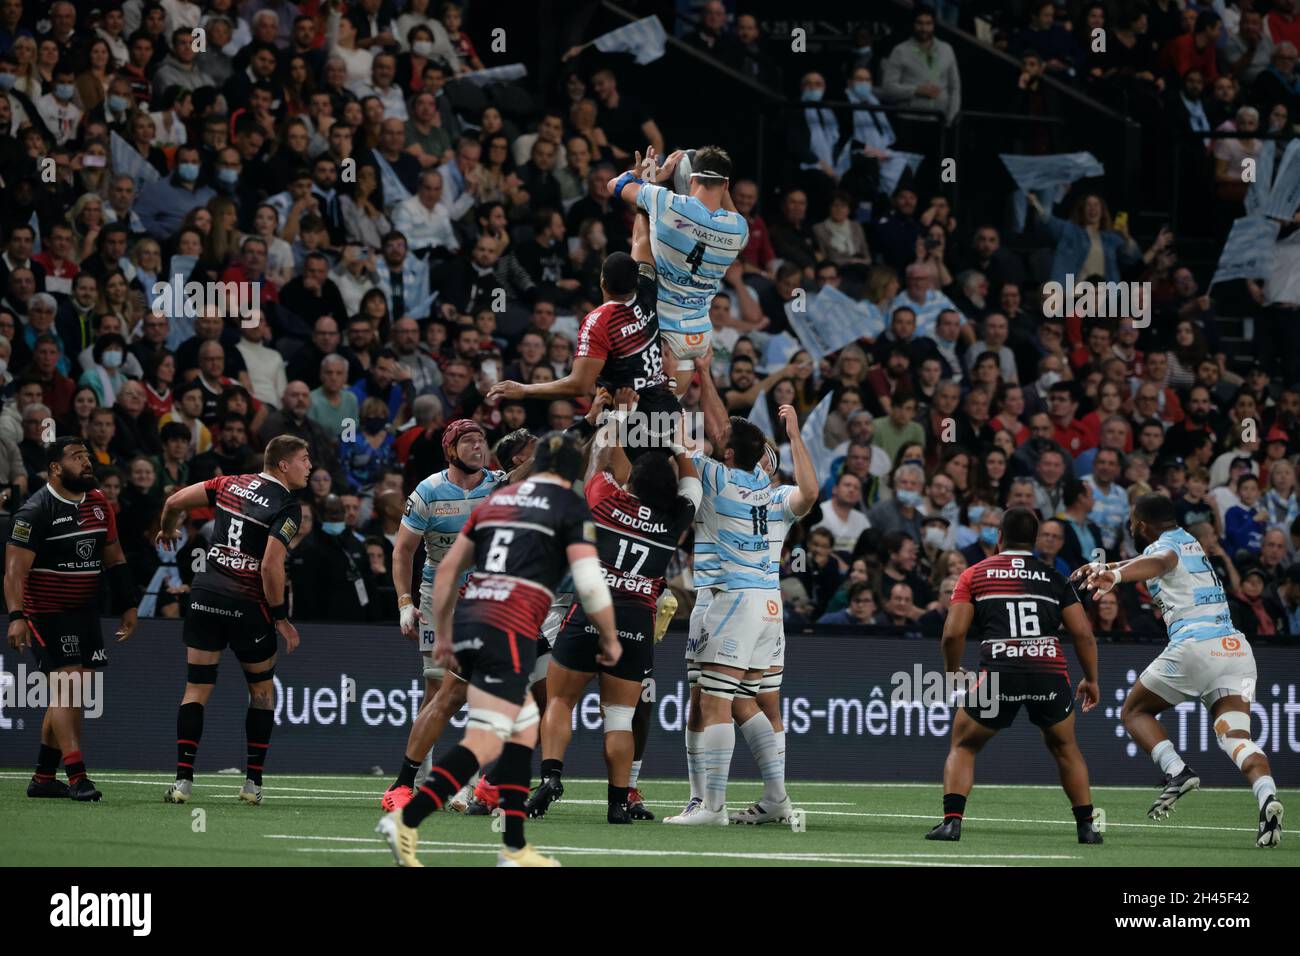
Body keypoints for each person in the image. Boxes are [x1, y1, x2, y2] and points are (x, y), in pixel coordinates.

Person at [376, 431, 621, 868]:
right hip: (512, 621)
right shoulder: (566, 505)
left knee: (520, 723)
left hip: (476, 612)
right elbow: (588, 580)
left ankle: (511, 843)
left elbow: (449, 566)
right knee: (498, 728)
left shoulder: (497, 500)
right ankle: (411, 819)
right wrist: (608, 636)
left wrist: (448, 631)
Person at [1074, 494, 1284, 846]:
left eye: (1131, 518)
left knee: (1134, 711)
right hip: (1235, 650)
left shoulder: (1165, 549)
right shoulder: (1190, 541)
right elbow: (1153, 560)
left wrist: (1116, 576)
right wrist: (1107, 568)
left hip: (1196, 648)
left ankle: (1177, 771)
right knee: (1237, 739)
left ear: (1140, 524)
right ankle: (1268, 799)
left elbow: (1158, 562)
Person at [530, 406, 701, 824]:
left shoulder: (606, 499)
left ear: (633, 484)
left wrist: (616, 415)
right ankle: (618, 801)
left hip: (589, 612)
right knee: (620, 717)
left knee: (560, 701)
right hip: (636, 624)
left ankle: (551, 776)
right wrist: (680, 445)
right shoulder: (672, 522)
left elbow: (601, 458)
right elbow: (693, 484)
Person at [926, 507, 1102, 845]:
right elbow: (1083, 634)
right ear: (1034, 542)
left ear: (998, 538)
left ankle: (951, 823)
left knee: (964, 744)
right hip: (1048, 671)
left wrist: (951, 669)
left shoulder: (974, 574)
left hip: (999, 673)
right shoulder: (1055, 578)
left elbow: (952, 633)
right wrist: (1091, 679)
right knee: (1065, 746)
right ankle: (1087, 828)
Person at [155, 436, 311, 807]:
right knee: (260, 691)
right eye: (305, 460)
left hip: (206, 596)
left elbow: (174, 502)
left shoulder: (230, 483)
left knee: (196, 689)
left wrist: (167, 529)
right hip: (248, 606)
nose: (310, 467)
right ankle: (252, 784)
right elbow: (271, 564)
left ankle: (182, 782)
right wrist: (281, 618)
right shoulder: (288, 505)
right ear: (284, 465)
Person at [379, 419, 511, 813]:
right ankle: (420, 783)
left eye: (481, 441)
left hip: (490, 596)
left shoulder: (499, 483)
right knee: (438, 690)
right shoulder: (428, 492)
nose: (477, 447)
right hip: (442, 598)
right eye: (468, 442)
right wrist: (404, 601)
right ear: (450, 451)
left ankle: (467, 786)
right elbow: (403, 550)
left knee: (480, 695)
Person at [5, 436, 138, 802]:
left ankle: (44, 778)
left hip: (84, 613)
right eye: (77, 457)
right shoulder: (35, 510)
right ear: (55, 468)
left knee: (72, 697)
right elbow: (14, 572)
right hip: (46, 612)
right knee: (69, 690)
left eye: (87, 456)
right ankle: (78, 776)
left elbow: (115, 556)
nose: (86, 462)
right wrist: (16, 616)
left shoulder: (99, 503)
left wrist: (128, 603)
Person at [486, 251, 679, 456]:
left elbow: (579, 385)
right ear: (635, 280)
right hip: (666, 408)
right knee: (675, 469)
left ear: (602, 281)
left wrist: (525, 390)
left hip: (628, 417)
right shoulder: (647, 290)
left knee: (618, 482)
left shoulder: (599, 321)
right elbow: (641, 242)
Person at [607, 145, 747, 397]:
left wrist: (654, 177)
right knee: (665, 418)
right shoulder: (739, 229)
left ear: (691, 179)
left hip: (657, 330)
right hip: (697, 338)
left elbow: (615, 184)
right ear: (726, 185)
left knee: (634, 422)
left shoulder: (667, 202)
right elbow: (728, 207)